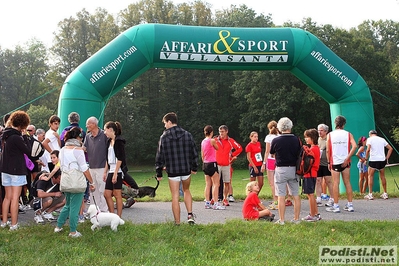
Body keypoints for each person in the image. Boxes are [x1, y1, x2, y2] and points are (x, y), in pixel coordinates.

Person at [155, 112, 198, 225]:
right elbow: (194, 153)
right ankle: (189, 214)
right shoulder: (187, 134)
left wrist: (159, 172)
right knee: (186, 190)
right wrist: (194, 167)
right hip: (185, 169)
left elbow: (159, 156)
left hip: (173, 171)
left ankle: (177, 222)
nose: (165, 126)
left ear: (169, 122)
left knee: (175, 196)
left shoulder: (164, 137)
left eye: (165, 123)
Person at [54, 127, 95, 237]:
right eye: (81, 137)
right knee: (75, 208)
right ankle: (73, 231)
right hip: (76, 182)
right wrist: (92, 182)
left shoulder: (62, 150)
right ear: (78, 138)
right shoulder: (78, 150)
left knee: (67, 205)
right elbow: (84, 169)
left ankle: (58, 226)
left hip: (66, 181)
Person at [0, 111, 31, 231]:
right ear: (23, 124)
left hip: (5, 169)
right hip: (16, 170)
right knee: (15, 198)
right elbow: (28, 150)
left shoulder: (5, 135)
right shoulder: (17, 137)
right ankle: (14, 224)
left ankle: (4, 222)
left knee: (7, 197)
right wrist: (25, 137)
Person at [270, 117, 301, 225]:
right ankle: (296, 218)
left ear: (279, 127)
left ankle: (282, 219)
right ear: (290, 126)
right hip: (293, 169)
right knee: (295, 194)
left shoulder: (276, 140)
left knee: (281, 195)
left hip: (281, 169)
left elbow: (272, 153)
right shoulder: (296, 139)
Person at [104, 121, 137, 217]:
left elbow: (120, 158)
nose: (105, 132)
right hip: (110, 170)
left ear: (110, 130)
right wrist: (105, 172)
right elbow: (107, 158)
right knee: (107, 194)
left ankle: (118, 217)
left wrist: (115, 173)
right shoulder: (108, 142)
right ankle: (112, 215)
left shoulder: (119, 141)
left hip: (118, 170)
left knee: (117, 194)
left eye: (105, 130)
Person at [326, 115, 357, 213]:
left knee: (336, 183)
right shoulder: (348, 134)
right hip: (345, 161)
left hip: (334, 161)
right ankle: (350, 204)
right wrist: (347, 158)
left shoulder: (330, 135)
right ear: (344, 124)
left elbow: (327, 150)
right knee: (347, 182)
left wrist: (328, 162)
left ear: (335, 123)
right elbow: (355, 146)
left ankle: (336, 205)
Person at [83, 117, 108, 212]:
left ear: (94, 124)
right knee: (93, 190)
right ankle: (95, 211)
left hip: (102, 167)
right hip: (91, 167)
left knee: (102, 189)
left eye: (88, 124)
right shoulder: (88, 136)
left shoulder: (104, 135)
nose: (87, 126)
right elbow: (84, 148)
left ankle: (104, 210)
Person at [215, 125, 242, 207]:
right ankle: (214, 198)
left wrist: (232, 155)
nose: (221, 133)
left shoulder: (230, 141)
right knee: (216, 183)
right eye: (220, 132)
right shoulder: (216, 140)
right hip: (217, 164)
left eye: (222, 132)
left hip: (227, 164)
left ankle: (225, 199)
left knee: (226, 182)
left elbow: (239, 148)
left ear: (227, 131)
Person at [364, 130, 393, 200]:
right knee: (382, 176)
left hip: (373, 160)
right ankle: (385, 193)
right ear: (376, 134)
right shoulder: (382, 139)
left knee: (370, 176)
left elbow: (368, 149)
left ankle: (370, 194)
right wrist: (387, 158)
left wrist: (366, 159)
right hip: (382, 160)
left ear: (370, 134)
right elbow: (390, 149)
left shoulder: (369, 139)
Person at [201, 125, 225, 210]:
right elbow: (217, 148)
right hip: (212, 163)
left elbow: (202, 154)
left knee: (208, 184)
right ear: (211, 132)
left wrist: (204, 161)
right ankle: (216, 203)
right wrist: (216, 141)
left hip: (205, 163)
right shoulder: (212, 140)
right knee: (216, 184)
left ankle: (207, 202)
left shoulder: (203, 141)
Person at [301, 129, 321, 222]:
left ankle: (312, 214)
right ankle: (316, 214)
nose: (305, 139)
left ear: (312, 138)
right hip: (313, 173)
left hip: (309, 174)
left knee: (310, 195)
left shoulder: (312, 149)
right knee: (311, 194)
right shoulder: (316, 148)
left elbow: (308, 163)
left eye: (307, 137)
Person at [261, 120, 279, 210]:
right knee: (279, 181)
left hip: (271, 160)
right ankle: (282, 199)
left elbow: (267, 151)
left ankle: (275, 201)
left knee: (272, 182)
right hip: (279, 160)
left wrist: (263, 163)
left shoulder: (268, 137)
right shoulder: (280, 136)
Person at [316, 124, 334, 208]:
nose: (319, 132)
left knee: (328, 181)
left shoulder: (329, 139)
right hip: (319, 163)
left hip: (326, 163)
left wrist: (329, 162)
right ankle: (318, 198)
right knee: (318, 180)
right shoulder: (319, 139)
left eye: (321, 130)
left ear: (326, 131)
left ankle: (332, 198)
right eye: (318, 130)